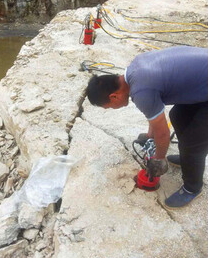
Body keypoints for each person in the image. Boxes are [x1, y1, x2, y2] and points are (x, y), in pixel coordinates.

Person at [86, 46, 208, 209]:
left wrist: (159, 159)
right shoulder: (134, 70)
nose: (112, 109)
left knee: (194, 141)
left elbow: (163, 133)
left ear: (113, 96)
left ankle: (192, 188)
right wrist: (151, 135)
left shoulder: (141, 91)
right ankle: (188, 159)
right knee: (177, 116)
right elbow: (155, 113)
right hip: (202, 84)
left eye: (109, 107)